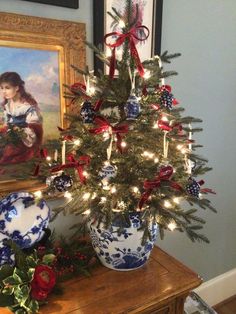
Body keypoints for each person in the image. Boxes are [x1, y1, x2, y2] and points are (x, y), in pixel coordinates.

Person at [0, 72, 43, 164]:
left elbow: (34, 129)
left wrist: (19, 131)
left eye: (7, 88)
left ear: (17, 88)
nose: (4, 91)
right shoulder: (8, 105)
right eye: (2, 88)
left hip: (25, 139)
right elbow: (7, 124)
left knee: (7, 153)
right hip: (11, 136)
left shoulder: (27, 106)